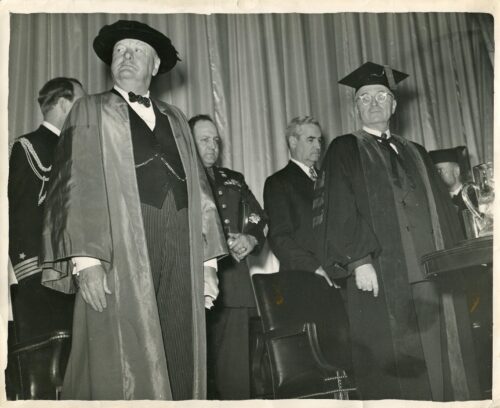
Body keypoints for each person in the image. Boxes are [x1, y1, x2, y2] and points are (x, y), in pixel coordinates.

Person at [40, 20, 226, 400]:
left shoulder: (175, 117)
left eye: (136, 51)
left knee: (180, 344)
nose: (125, 57)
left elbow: (201, 191)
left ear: (155, 66)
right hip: (121, 242)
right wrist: (86, 262)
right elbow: (75, 183)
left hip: (180, 241)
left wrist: (207, 264)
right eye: (119, 51)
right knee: (122, 357)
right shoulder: (90, 109)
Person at [313, 61, 467, 400]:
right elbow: (339, 207)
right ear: (355, 107)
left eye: (381, 96)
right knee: (393, 359)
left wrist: (451, 258)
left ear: (394, 105)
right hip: (381, 269)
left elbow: (441, 209)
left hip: (429, 267)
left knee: (437, 353)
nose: (373, 103)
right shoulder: (344, 147)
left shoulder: (415, 151)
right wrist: (358, 260)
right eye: (365, 98)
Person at [263, 115, 351, 371]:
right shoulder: (278, 182)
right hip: (306, 285)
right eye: (310, 139)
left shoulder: (331, 181)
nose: (317, 146)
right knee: (322, 364)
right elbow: (280, 238)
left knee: (350, 358)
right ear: (292, 142)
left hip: (340, 280)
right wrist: (316, 268)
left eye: (320, 140)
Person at [189, 114, 267, 399]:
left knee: (234, 375)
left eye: (216, 141)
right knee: (194, 373)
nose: (212, 146)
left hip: (233, 285)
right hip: (192, 284)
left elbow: (258, 216)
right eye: (204, 140)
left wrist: (250, 237)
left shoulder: (233, 179)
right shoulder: (177, 178)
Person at [8, 77, 85, 343]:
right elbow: (20, 213)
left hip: (74, 273)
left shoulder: (76, 148)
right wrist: (30, 270)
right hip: (40, 274)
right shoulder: (29, 147)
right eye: (79, 102)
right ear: (64, 104)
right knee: (46, 355)